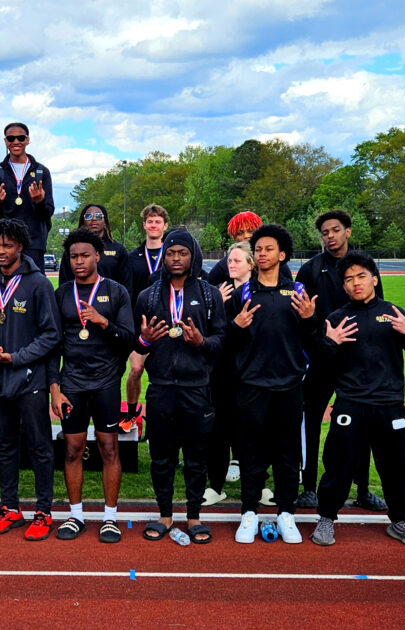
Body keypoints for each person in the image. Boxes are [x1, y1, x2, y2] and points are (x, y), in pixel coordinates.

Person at [310, 252, 405, 548]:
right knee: (338, 463)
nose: (355, 283)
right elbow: (321, 366)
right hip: (350, 403)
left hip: (389, 404)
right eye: (348, 279)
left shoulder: (393, 313)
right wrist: (329, 343)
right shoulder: (336, 319)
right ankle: (326, 518)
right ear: (344, 286)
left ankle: (401, 521)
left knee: (398, 466)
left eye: (361, 276)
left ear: (374, 279)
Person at [134, 229, 225, 545]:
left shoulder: (210, 294)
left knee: (196, 457)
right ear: (164, 257)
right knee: (162, 457)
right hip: (160, 387)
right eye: (171, 253)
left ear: (193, 256)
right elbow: (138, 343)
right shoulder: (148, 295)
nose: (175, 258)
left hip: (196, 388)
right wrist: (146, 339)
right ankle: (164, 514)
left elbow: (221, 341)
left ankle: (194, 516)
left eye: (182, 253)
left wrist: (201, 342)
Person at [228, 226, 318, 544]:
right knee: (251, 453)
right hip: (251, 385)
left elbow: (314, 340)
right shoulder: (243, 292)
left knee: (286, 454)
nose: (262, 254)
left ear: (282, 254)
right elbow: (228, 342)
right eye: (258, 249)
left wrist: (309, 317)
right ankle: (249, 512)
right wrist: (235, 327)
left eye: (269, 249)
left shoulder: (298, 290)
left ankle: (286, 513)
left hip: (289, 385)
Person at [296, 209, 386, 511]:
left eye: (335, 230)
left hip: (355, 362)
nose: (330, 236)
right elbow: (300, 316)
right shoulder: (310, 270)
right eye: (324, 232)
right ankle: (308, 487)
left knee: (360, 426)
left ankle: (362, 489)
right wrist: (312, 346)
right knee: (309, 422)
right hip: (319, 359)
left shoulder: (365, 266)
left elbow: (376, 309)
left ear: (348, 231)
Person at [49, 228, 135, 543]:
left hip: (106, 382)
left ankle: (110, 518)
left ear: (97, 256)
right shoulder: (61, 294)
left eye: (85, 255)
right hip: (72, 382)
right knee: (72, 448)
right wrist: (55, 387)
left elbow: (129, 339)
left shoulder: (116, 292)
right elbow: (52, 346)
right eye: (73, 256)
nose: (79, 261)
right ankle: (76, 516)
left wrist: (102, 322)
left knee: (109, 447)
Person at [0, 219, 61, 541]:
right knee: (4, 446)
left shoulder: (38, 284)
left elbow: (52, 335)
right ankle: (10, 507)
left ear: (20, 247)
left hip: (30, 380)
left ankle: (43, 511)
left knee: (40, 447)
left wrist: (17, 357)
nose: (0, 251)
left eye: (7, 245)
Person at [202, 241, 254, 507]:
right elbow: (211, 334)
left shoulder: (258, 293)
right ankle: (215, 485)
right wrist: (218, 306)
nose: (230, 266)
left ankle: (257, 484)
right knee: (218, 430)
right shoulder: (216, 294)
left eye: (237, 261)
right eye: (229, 261)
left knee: (250, 431)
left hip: (250, 372)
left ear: (251, 264)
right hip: (221, 372)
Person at [0, 122, 54, 272]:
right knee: (6, 287)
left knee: (34, 285)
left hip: (33, 242)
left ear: (27, 140)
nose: (16, 142)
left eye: (20, 138)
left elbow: (47, 212)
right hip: (6, 242)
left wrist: (39, 202)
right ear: (5, 141)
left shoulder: (41, 172)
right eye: (11, 138)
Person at [124, 204, 169, 430]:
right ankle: (131, 414)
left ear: (165, 226)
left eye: (157, 221)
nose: (153, 225)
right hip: (138, 325)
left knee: (162, 377)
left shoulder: (173, 255)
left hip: (166, 325)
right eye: (150, 221)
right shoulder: (132, 257)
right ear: (144, 226)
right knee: (136, 369)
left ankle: (158, 424)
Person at [59, 204, 132, 295]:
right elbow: (64, 283)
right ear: (83, 222)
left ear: (105, 221)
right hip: (79, 302)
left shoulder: (118, 249)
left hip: (110, 303)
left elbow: (127, 285)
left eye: (98, 216)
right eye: (89, 216)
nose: (94, 219)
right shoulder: (71, 250)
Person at [205, 211, 262, 285]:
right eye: (240, 233)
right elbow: (207, 286)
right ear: (234, 237)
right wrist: (217, 294)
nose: (246, 236)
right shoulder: (224, 264)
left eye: (250, 231)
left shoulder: (270, 258)